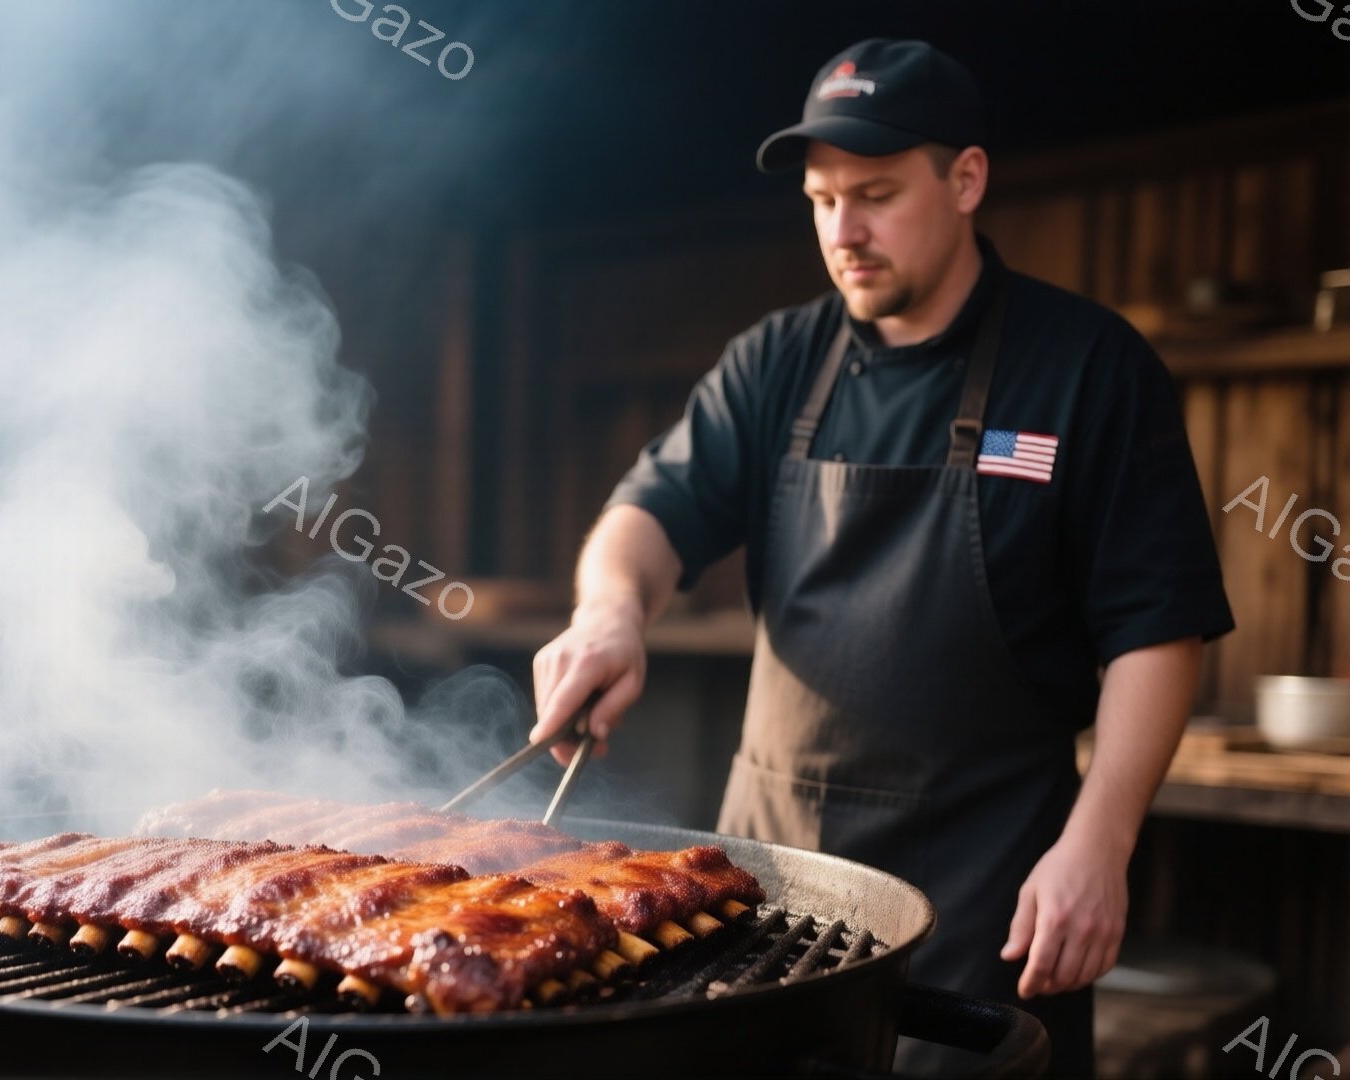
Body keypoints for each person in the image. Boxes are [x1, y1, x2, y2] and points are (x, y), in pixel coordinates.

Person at [527, 38, 1233, 1078]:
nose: (842, 232)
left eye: (875, 195)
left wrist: (1103, 842)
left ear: (967, 180)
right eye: (821, 201)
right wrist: (611, 615)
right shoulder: (777, 361)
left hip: (990, 900)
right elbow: (651, 514)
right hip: (772, 904)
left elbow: (1157, 631)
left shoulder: (1088, 367)